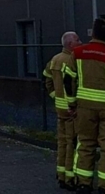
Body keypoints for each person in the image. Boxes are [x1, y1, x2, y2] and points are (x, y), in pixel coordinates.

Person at [63, 18, 105, 194]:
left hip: (84, 107)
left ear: (92, 33)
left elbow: (67, 79)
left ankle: (83, 184)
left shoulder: (77, 53)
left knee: (85, 144)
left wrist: (71, 103)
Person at [44, 31, 81, 190]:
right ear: (71, 44)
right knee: (72, 144)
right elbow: (72, 85)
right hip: (72, 110)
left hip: (60, 109)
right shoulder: (72, 60)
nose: (80, 42)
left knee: (62, 142)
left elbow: (47, 81)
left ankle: (60, 175)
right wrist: (72, 104)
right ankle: (69, 177)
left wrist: (55, 97)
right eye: (78, 40)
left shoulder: (55, 59)